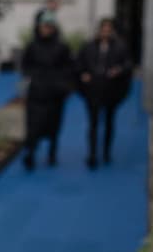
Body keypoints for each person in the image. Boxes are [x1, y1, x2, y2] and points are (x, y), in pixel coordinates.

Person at [76, 18, 133, 168]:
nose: (106, 32)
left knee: (109, 122)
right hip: (93, 89)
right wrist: (83, 74)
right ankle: (92, 154)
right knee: (93, 123)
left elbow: (127, 64)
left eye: (109, 30)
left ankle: (107, 152)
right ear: (99, 30)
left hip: (111, 90)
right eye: (103, 29)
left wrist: (118, 70)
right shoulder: (88, 46)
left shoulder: (120, 47)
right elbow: (79, 63)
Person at [21, 10, 73, 170]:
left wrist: (62, 85)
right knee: (33, 126)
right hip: (36, 93)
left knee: (54, 125)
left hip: (55, 95)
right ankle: (31, 154)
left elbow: (69, 67)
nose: (46, 29)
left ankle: (52, 153)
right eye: (44, 26)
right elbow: (25, 66)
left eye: (49, 26)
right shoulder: (32, 46)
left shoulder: (62, 47)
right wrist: (34, 77)